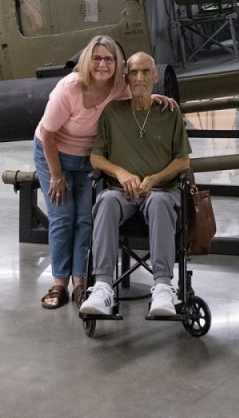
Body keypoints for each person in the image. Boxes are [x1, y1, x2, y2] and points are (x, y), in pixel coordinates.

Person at [34, 36, 174, 310]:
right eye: (96, 58)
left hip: (89, 159)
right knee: (63, 217)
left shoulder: (118, 87)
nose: (102, 64)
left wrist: (154, 96)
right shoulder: (69, 88)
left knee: (86, 219)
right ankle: (59, 283)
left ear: (116, 64)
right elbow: (48, 135)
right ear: (87, 60)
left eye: (109, 59)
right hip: (54, 153)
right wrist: (56, 175)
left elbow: (138, 91)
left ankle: (79, 282)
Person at [80, 52, 191, 319]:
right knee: (105, 200)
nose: (139, 78)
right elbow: (96, 157)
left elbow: (183, 161)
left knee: (160, 200)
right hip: (122, 193)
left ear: (155, 77)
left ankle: (163, 286)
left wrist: (154, 179)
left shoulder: (170, 112)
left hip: (162, 191)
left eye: (145, 72)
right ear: (126, 78)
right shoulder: (113, 113)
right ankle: (103, 286)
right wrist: (119, 172)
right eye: (134, 72)